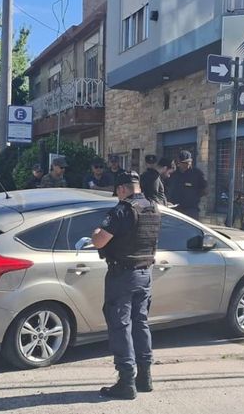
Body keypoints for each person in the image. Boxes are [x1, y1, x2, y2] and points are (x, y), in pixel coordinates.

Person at [91, 171, 161, 400]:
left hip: (123, 275)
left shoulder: (122, 210)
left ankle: (126, 381)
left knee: (120, 326)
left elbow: (100, 240)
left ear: (122, 188)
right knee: (140, 323)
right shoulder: (153, 207)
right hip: (145, 273)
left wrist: (94, 234)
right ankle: (145, 377)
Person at [167, 150, 207, 220]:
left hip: (191, 210)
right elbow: (167, 188)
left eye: (189, 162)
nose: (187, 164)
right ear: (179, 162)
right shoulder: (173, 175)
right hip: (175, 209)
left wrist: (193, 197)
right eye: (184, 162)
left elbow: (204, 189)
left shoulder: (197, 174)